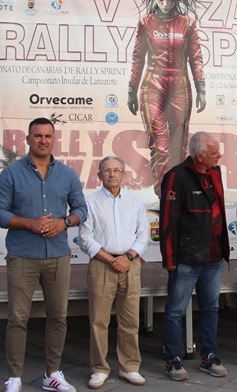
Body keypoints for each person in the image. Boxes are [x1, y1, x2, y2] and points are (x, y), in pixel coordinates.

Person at [0, 117, 88, 392]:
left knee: (58, 317)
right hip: (22, 256)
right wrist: (29, 223)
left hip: (58, 256)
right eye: (37, 135)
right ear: (28, 139)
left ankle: (52, 374)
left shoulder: (67, 174)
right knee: (17, 318)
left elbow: (81, 209)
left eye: (47, 136)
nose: (43, 140)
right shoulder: (11, 174)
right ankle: (14, 377)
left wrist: (64, 223)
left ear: (53, 139)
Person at [159, 131, 230, 381]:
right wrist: (169, 258)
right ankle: (173, 359)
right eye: (214, 152)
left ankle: (209, 356)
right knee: (175, 311)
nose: (219, 155)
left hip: (214, 257)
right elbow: (167, 221)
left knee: (211, 308)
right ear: (199, 156)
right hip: (186, 259)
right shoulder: (176, 176)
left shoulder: (215, 173)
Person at [128, 0, 207, 194]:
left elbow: (196, 57)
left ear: (176, 1)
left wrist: (201, 88)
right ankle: (164, 194)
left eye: (170, 0)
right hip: (153, 85)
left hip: (180, 86)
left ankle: (177, 193)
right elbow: (138, 57)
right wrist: (131, 90)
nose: (165, 3)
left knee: (178, 145)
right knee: (160, 142)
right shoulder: (146, 22)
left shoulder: (187, 24)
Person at [78, 156, 149, 389]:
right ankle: (99, 369)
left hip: (130, 264)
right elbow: (85, 238)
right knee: (99, 320)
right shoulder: (90, 202)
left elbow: (143, 235)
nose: (112, 174)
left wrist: (128, 257)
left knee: (130, 320)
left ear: (124, 174)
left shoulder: (134, 201)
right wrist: (111, 259)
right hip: (102, 264)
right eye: (107, 171)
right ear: (99, 175)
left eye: (117, 170)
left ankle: (130, 367)